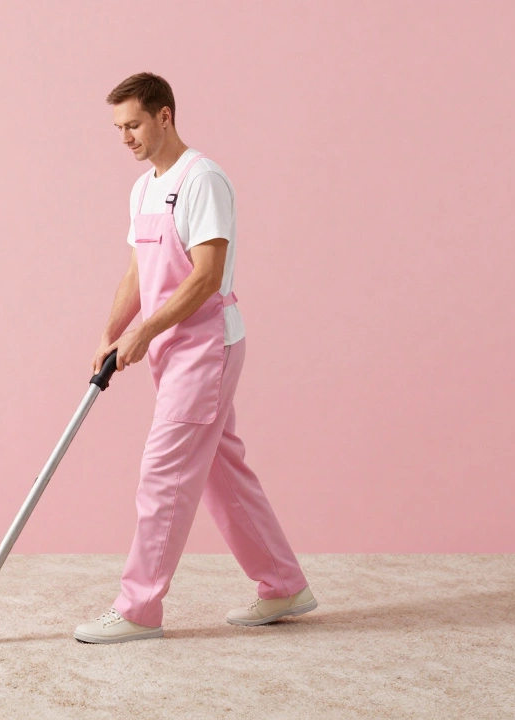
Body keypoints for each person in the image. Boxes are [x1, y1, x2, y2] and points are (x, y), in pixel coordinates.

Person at [73, 73, 316, 644]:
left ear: (165, 116)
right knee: (218, 470)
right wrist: (113, 332)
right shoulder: (143, 189)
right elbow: (139, 270)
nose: (125, 137)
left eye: (133, 124)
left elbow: (206, 277)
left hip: (208, 344)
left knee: (165, 473)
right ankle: (283, 584)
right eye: (118, 128)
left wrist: (144, 331)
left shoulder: (202, 179)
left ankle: (139, 608)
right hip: (170, 347)